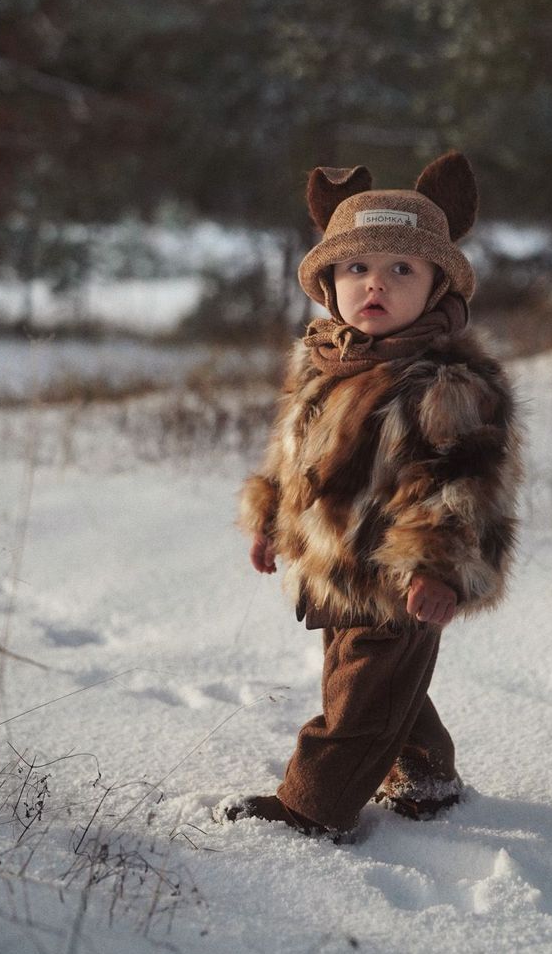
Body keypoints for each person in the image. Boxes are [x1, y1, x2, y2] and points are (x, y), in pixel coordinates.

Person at [221, 151, 522, 839]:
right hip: (333, 564)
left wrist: (440, 569)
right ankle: (426, 772)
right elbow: (292, 451)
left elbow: (465, 487)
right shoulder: (327, 356)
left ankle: (312, 807)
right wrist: (270, 519)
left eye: (400, 270)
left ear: (438, 284)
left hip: (400, 577)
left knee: (357, 702)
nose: (374, 285)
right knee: (369, 685)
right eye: (356, 268)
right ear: (330, 282)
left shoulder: (446, 382)